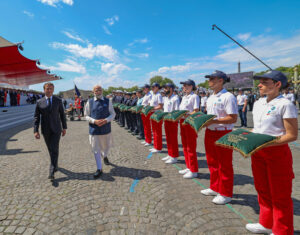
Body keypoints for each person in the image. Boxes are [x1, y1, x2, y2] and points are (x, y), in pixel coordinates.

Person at [245, 71, 298, 235]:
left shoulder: (285, 104)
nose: (259, 85)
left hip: (276, 153)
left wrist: (268, 143)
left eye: (264, 82)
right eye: (259, 82)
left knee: (280, 194)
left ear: (277, 84)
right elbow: (258, 128)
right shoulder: (259, 103)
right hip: (258, 152)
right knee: (262, 189)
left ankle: (283, 230)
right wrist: (247, 136)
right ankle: (266, 222)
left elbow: (292, 135)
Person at [200, 70, 238, 205]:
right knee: (212, 161)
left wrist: (213, 121)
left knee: (224, 164)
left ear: (221, 80)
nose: (209, 81)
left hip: (223, 132)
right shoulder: (210, 97)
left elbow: (233, 118)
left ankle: (226, 193)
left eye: (212, 79)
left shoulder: (228, 96)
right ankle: (215, 187)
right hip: (210, 132)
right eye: (209, 78)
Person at [34, 82, 67, 180]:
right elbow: (36, 117)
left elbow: (62, 115)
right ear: (44, 90)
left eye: (51, 89)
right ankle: (55, 164)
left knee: (54, 148)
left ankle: (51, 170)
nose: (49, 90)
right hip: (46, 130)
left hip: (56, 129)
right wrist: (36, 130)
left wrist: (64, 127)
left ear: (53, 90)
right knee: (50, 148)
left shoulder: (58, 100)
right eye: (47, 88)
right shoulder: (39, 102)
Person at [85, 85, 116, 178]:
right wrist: (94, 121)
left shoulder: (108, 101)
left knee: (106, 147)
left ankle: (105, 155)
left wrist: (106, 120)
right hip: (94, 130)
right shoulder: (89, 102)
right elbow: (86, 115)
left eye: (99, 90)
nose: (97, 91)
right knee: (95, 149)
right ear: (93, 91)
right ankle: (99, 168)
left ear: (102, 91)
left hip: (106, 129)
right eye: (95, 90)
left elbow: (113, 114)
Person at [177, 79, 200, 179]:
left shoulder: (194, 96)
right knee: (185, 145)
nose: (184, 87)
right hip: (183, 122)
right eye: (183, 86)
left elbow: (196, 111)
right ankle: (188, 166)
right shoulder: (184, 97)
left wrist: (185, 114)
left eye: (186, 86)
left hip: (190, 122)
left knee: (190, 146)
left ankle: (194, 170)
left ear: (192, 86)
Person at [161, 83, 180, 164]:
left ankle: (174, 156)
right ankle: (170, 154)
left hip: (172, 121)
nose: (165, 90)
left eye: (166, 88)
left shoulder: (175, 98)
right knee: (168, 138)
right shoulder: (165, 98)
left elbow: (176, 111)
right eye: (164, 88)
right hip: (166, 120)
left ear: (171, 89)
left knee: (173, 139)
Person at [149, 83, 164, 153]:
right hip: (153, 113)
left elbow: (160, 106)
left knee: (157, 131)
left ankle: (158, 147)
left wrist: (153, 108)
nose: (152, 88)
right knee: (154, 130)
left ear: (157, 87)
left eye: (153, 87)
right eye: (152, 87)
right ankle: (155, 146)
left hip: (157, 113)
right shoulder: (153, 95)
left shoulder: (159, 95)